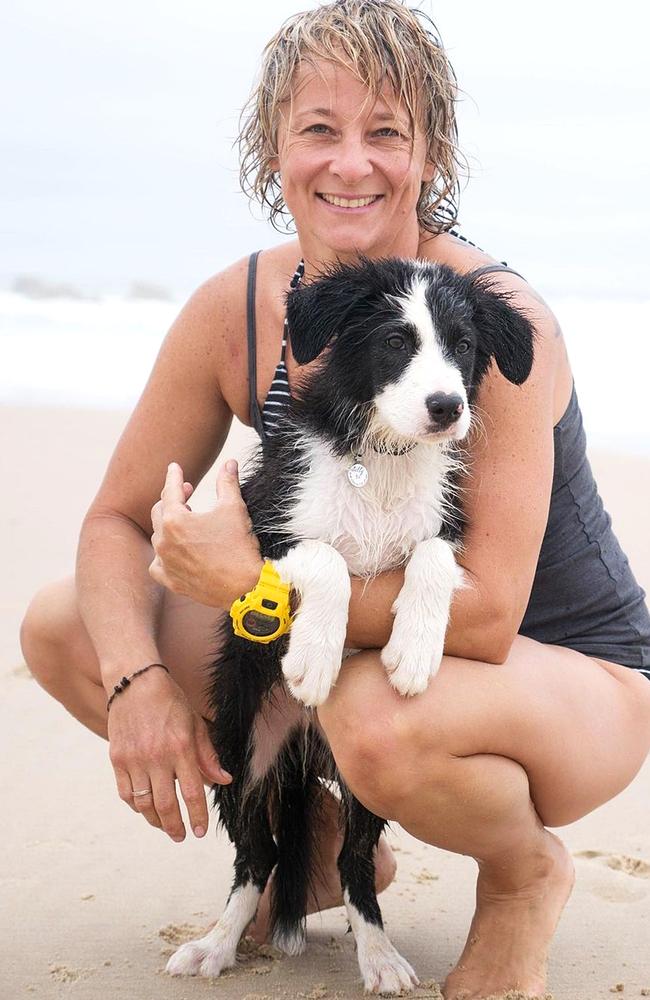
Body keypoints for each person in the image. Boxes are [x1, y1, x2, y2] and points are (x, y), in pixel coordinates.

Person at [20, 2, 650, 997]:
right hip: (359, 634)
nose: (350, 164)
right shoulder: (234, 309)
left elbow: (481, 617)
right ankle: (312, 842)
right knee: (69, 627)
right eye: (319, 129)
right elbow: (115, 520)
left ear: (430, 152)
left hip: (563, 681)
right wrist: (136, 680)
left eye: (385, 132)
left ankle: (524, 872)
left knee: (370, 712)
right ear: (271, 148)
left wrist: (250, 582)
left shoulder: (485, 320)